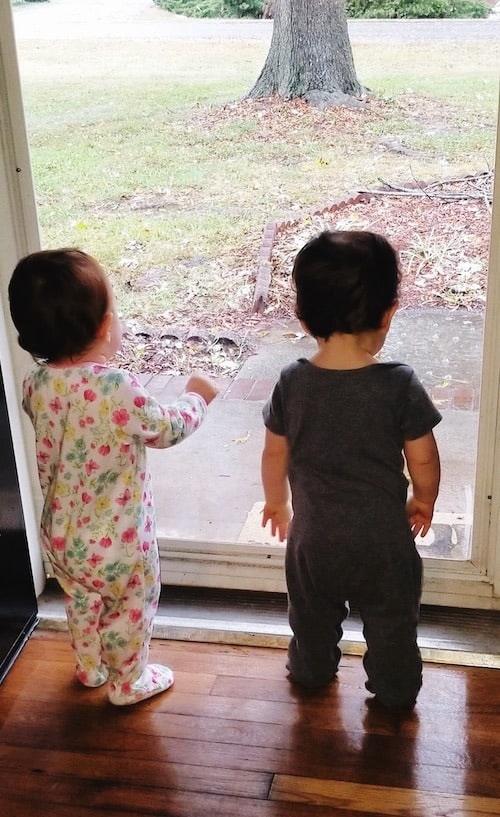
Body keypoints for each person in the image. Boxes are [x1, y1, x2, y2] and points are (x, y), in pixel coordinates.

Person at [8, 248, 219, 706]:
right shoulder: (115, 387)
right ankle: (129, 682)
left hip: (61, 535)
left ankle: (90, 667)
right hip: (119, 542)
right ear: (105, 326)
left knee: (83, 600)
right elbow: (164, 428)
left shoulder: (35, 383)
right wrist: (196, 397)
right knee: (130, 607)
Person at [261, 230, 441, 711]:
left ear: (302, 317)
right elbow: (422, 456)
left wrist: (277, 502)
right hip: (382, 541)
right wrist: (423, 500)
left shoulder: (292, 382)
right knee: (392, 624)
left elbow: (274, 454)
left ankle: (311, 669)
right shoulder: (397, 384)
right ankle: (396, 689)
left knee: (312, 618)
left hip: (313, 539)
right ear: (388, 313)